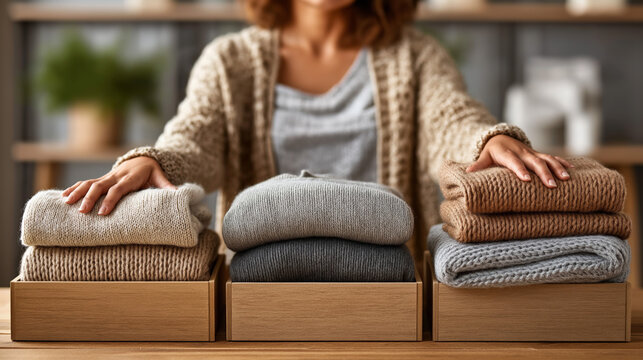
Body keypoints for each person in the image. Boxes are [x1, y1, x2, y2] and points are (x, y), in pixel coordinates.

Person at [62, 0, 571, 253]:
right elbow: (195, 138)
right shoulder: (230, 61)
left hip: (391, 297)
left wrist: (490, 139)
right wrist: (155, 160)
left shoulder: (415, 57)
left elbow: (451, 120)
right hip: (260, 299)